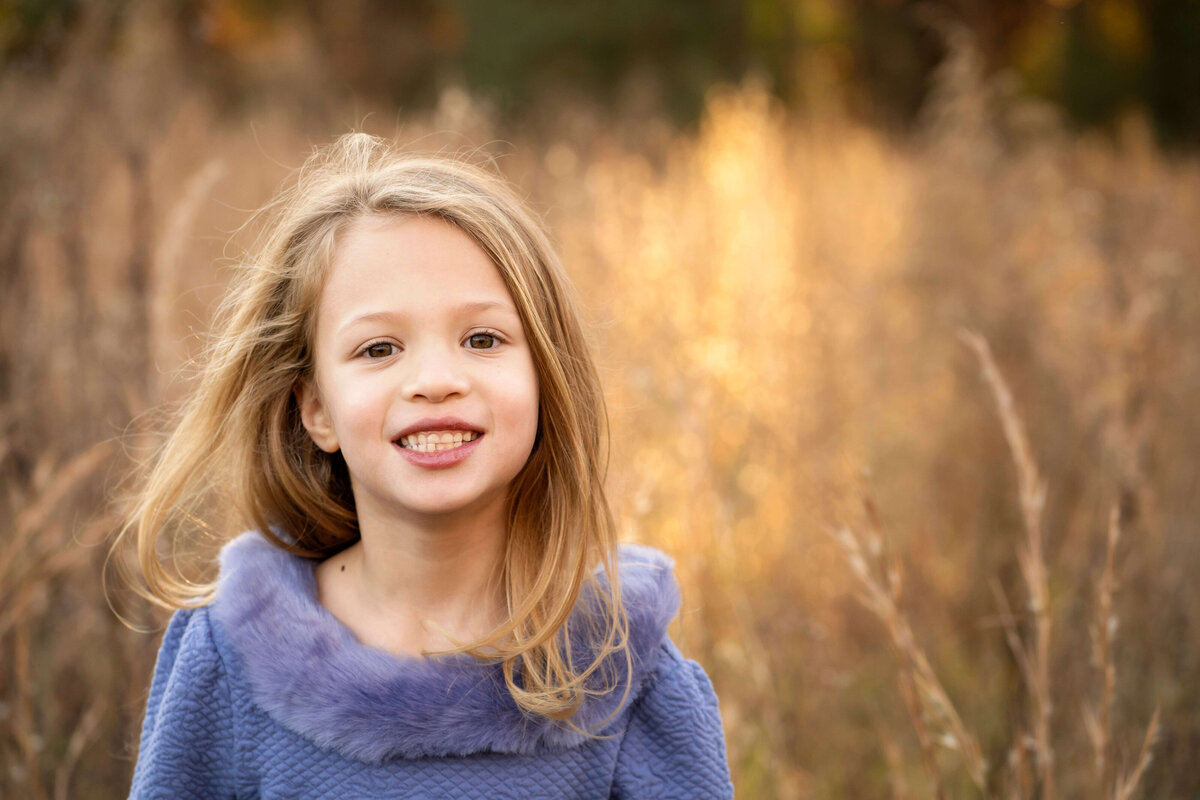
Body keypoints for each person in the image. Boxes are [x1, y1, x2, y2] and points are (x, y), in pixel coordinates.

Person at [120, 133, 733, 799]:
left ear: (544, 379)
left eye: (481, 339)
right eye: (380, 348)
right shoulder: (230, 661)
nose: (436, 380)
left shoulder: (624, 674)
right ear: (316, 409)